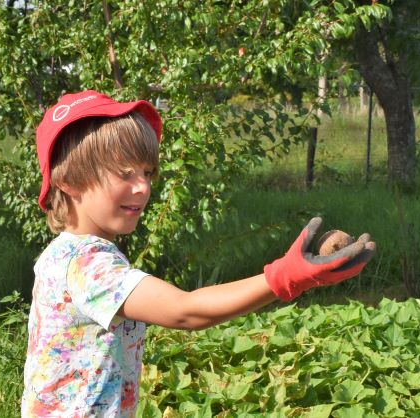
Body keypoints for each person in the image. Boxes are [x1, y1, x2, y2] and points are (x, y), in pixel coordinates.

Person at [21, 90, 376, 417]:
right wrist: (287, 277)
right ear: (67, 181)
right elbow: (185, 311)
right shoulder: (87, 263)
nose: (143, 186)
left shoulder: (64, 252)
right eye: (124, 173)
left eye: (147, 172)